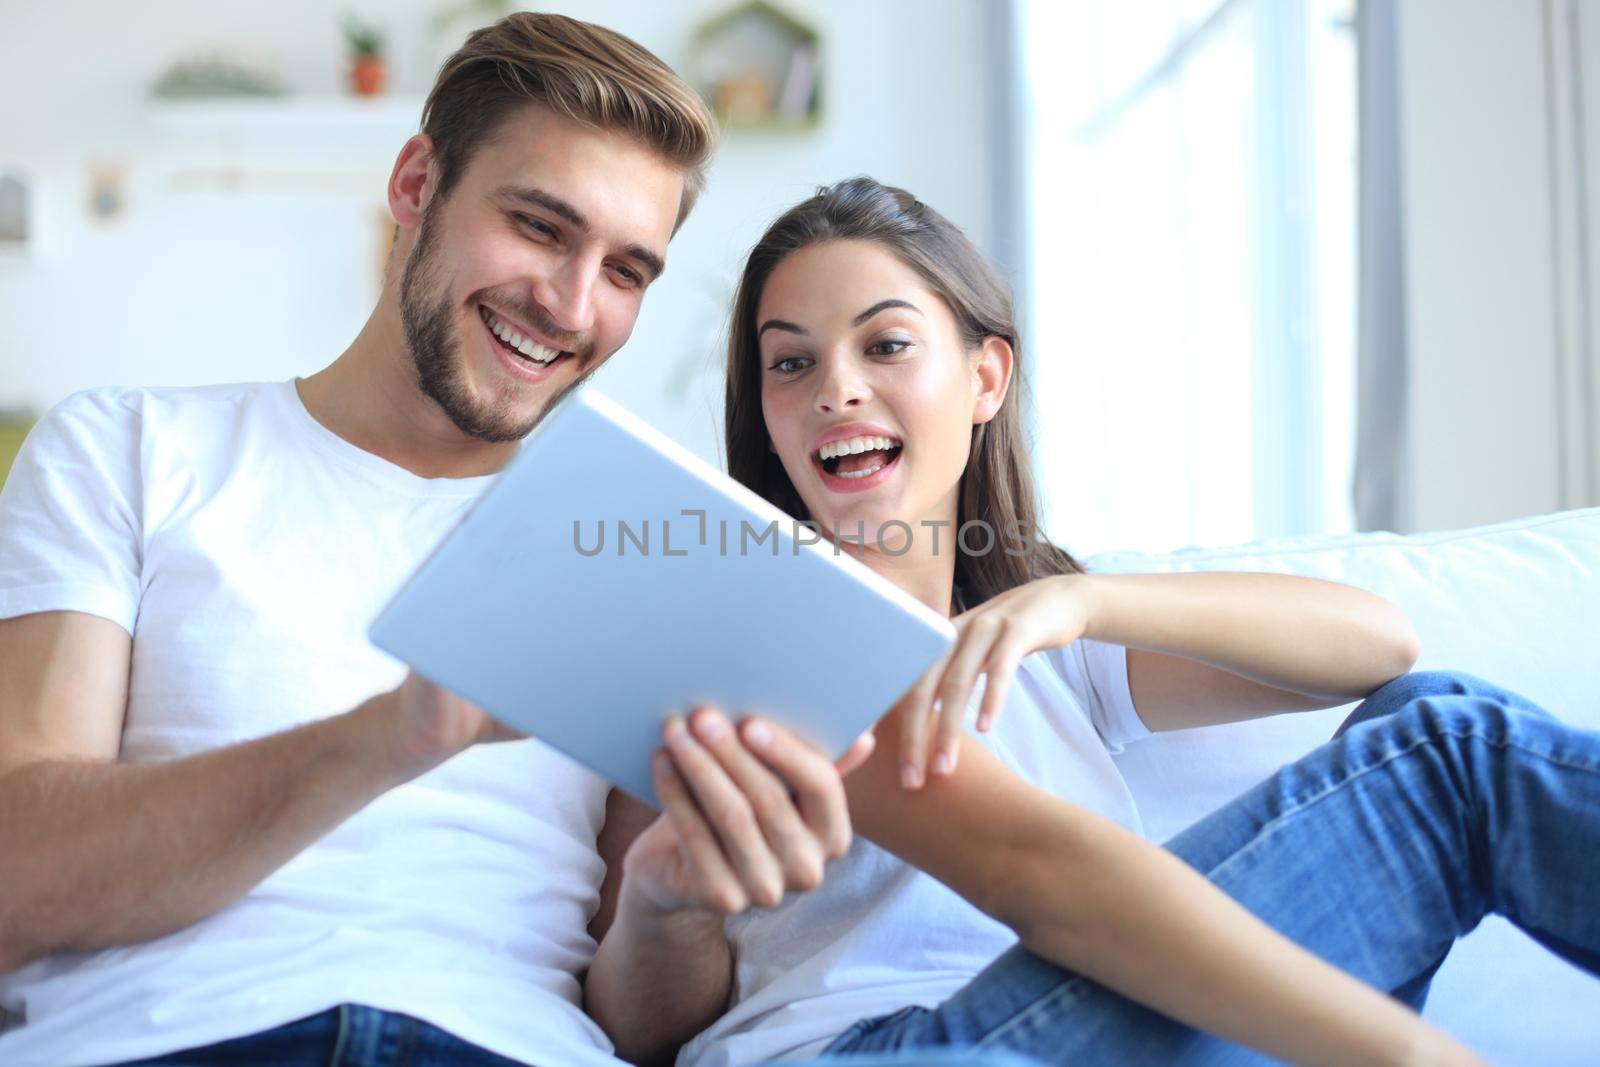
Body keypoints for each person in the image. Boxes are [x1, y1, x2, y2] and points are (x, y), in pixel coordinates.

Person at [0, 16, 891, 1067]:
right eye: (540, 227)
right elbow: (21, 877)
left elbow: (642, 1028)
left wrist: (668, 907)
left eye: (625, 271)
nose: (568, 305)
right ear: (417, 184)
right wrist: (394, 734)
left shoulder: (644, 553)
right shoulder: (128, 447)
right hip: (182, 1040)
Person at [584, 177, 1600, 1067]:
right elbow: (638, 1033)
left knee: (1446, 738)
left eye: (885, 343)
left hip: (1119, 1020)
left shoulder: (1051, 646)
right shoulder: (733, 627)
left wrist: (1082, 596)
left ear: (985, 377)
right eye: (788, 363)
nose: (835, 388)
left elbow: (1380, 645)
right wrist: (664, 902)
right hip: (878, 1046)